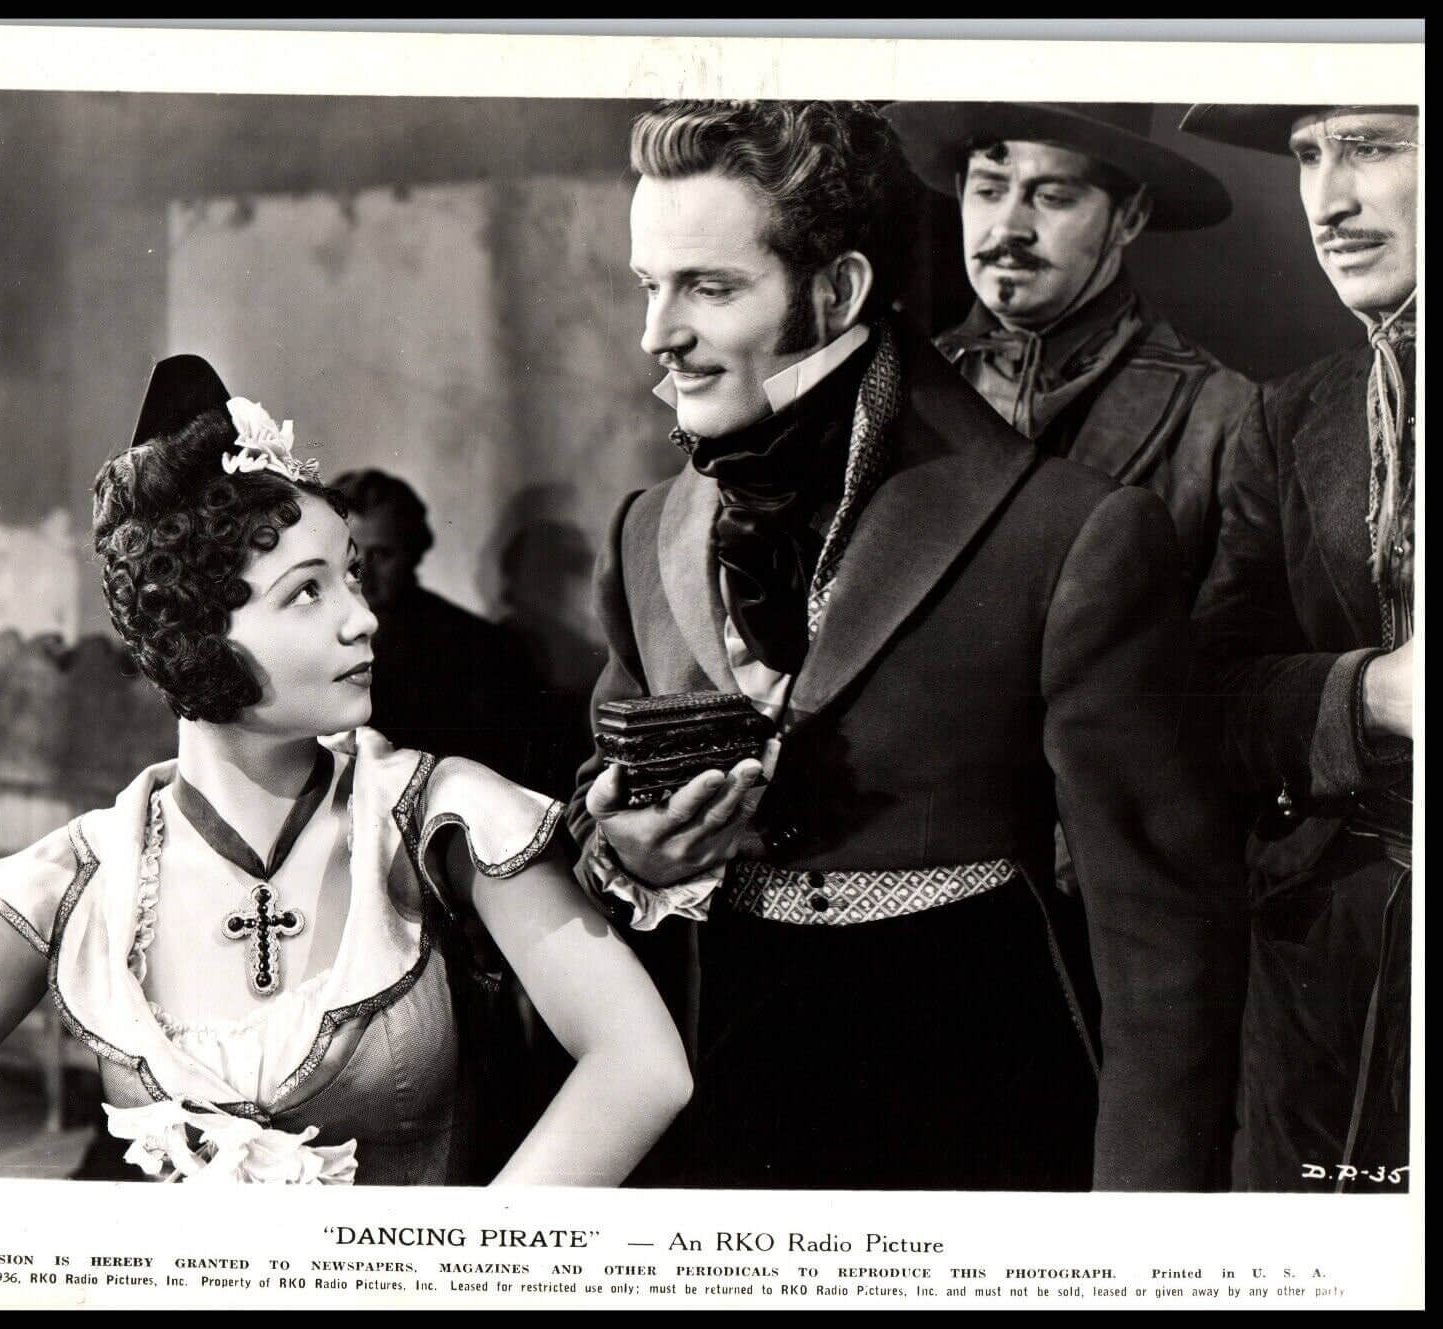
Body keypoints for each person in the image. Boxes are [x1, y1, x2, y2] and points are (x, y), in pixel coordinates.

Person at [569, 100, 1247, 1191]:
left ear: (837, 291)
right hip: (721, 1124)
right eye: (650, 285)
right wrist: (630, 857)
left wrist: (1139, 1235)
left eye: (709, 288)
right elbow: (596, 807)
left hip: (978, 1111)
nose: (658, 333)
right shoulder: (645, 529)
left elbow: (1163, 947)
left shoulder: (1071, 534)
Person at [0, 355, 690, 1185]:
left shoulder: (437, 813)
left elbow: (641, 1064)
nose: (363, 618)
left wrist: (472, 1253)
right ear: (195, 630)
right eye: (307, 592)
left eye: (351, 575)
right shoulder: (83, 873)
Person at [1180, 103, 1418, 1193]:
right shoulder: (1293, 415)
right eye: (1308, 156)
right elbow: (1205, 697)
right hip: (1327, 965)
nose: (1329, 200)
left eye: (1371, 147)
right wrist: (1374, 696)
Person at [886, 101, 1256, 602]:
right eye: (988, 191)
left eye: (1052, 197)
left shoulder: (1223, 417)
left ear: (1129, 217)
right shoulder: (896, 385)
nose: (1007, 227)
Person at [329, 468, 543, 787]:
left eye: (383, 554)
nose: (364, 573)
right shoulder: (307, 638)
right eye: (352, 556)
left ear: (413, 552)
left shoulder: (481, 650)